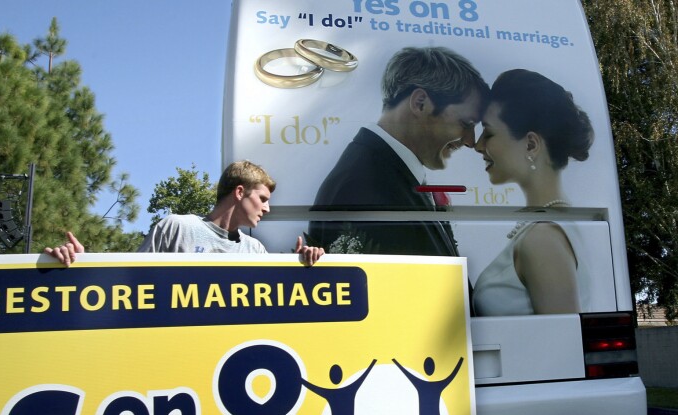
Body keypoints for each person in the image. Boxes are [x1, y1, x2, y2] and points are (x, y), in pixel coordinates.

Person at [309, 46, 489, 256]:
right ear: (420, 103)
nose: (470, 141)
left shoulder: (381, 172)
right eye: (466, 123)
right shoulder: (364, 185)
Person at [472, 69, 594, 315]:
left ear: (530, 144)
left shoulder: (542, 237)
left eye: (489, 133)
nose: (478, 145)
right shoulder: (548, 225)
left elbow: (560, 342)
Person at [45, 160, 325, 266]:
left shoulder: (255, 250)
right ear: (239, 193)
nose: (267, 207)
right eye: (262, 198)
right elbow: (128, 285)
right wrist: (81, 266)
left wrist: (305, 265)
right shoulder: (176, 228)